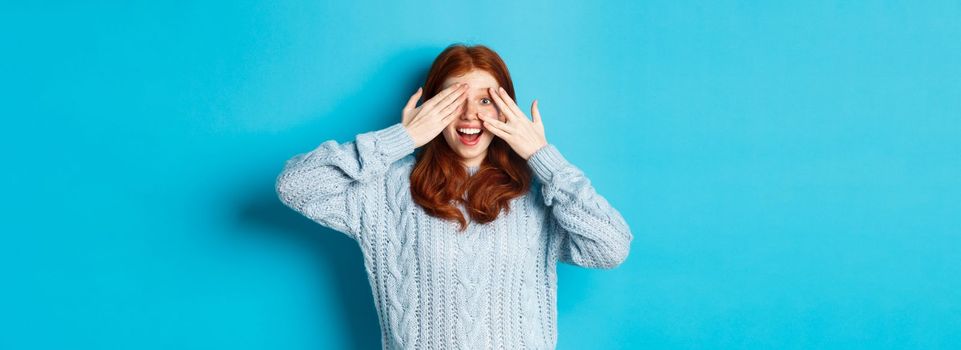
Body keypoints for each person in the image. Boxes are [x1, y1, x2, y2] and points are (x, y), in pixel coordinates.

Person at [275, 43, 632, 350]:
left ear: (509, 110)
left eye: (485, 100)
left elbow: (611, 247)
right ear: (431, 107)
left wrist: (542, 156)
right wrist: (402, 137)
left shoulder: (537, 195)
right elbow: (295, 185)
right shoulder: (386, 192)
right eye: (454, 99)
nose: (470, 114)